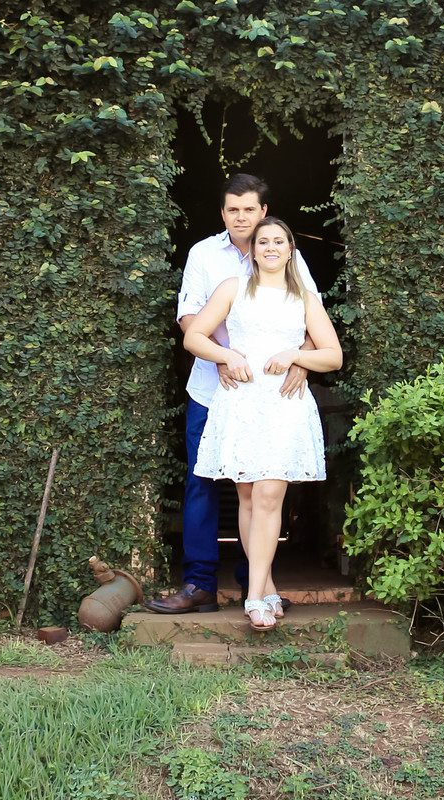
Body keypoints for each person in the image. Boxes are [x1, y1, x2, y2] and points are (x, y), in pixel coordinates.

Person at [145, 175, 319, 615]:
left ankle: (255, 585)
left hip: (274, 393)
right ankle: (200, 583)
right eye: (232, 210)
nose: (241, 217)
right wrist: (221, 356)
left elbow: (312, 320)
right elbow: (189, 318)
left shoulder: (287, 257)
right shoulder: (204, 254)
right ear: (223, 213)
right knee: (205, 483)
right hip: (215, 389)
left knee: (263, 490)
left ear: (264, 212)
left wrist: (301, 359)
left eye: (249, 209)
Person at [183, 217, 342, 630]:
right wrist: (226, 356)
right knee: (251, 498)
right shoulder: (233, 289)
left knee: (271, 495)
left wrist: (295, 356)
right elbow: (193, 336)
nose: (271, 247)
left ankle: (253, 597)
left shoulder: (305, 298)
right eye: (263, 241)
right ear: (252, 250)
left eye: (279, 241)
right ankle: (267, 586)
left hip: (283, 404)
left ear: (291, 250)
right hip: (241, 402)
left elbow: (332, 355)